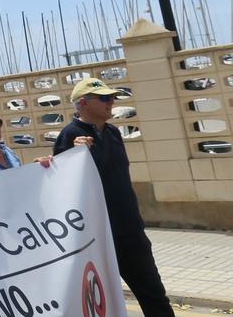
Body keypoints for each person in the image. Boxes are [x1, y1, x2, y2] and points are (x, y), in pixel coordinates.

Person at [54, 78, 174, 316]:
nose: (112, 103)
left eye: (112, 98)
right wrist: (75, 153)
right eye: (105, 98)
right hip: (97, 237)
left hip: (130, 232)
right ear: (84, 103)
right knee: (101, 303)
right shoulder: (70, 135)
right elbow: (61, 183)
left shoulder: (113, 132)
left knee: (154, 296)